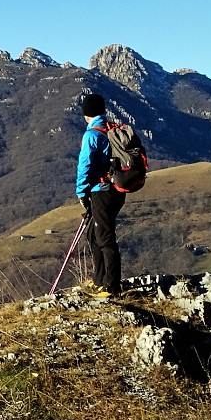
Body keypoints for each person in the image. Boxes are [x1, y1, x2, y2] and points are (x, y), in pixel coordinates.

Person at [75, 92, 125, 297]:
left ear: (87, 114)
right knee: (94, 235)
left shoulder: (91, 135)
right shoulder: (113, 129)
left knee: (104, 238)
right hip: (117, 190)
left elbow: (84, 165)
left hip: (101, 191)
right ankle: (99, 279)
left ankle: (111, 286)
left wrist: (81, 192)